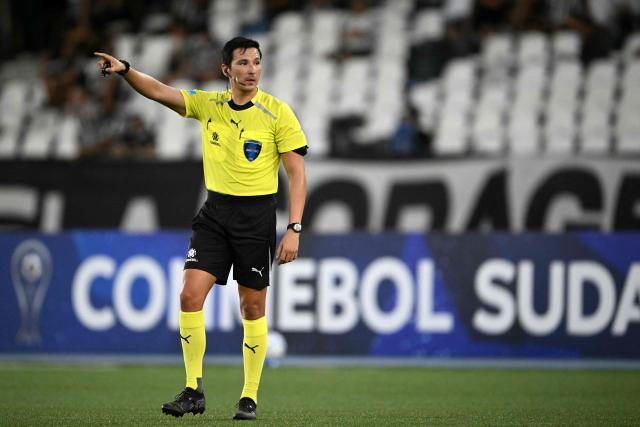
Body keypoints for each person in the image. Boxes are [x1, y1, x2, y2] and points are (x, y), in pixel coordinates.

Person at [94, 36, 308, 421]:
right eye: (243, 63)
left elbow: (296, 173)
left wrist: (294, 227)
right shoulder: (208, 105)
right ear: (226, 70)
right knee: (190, 295)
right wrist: (125, 70)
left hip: (256, 218)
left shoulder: (278, 113)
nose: (252, 69)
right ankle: (193, 389)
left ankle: (249, 396)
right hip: (215, 214)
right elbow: (159, 91)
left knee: (252, 307)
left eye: (257, 62)